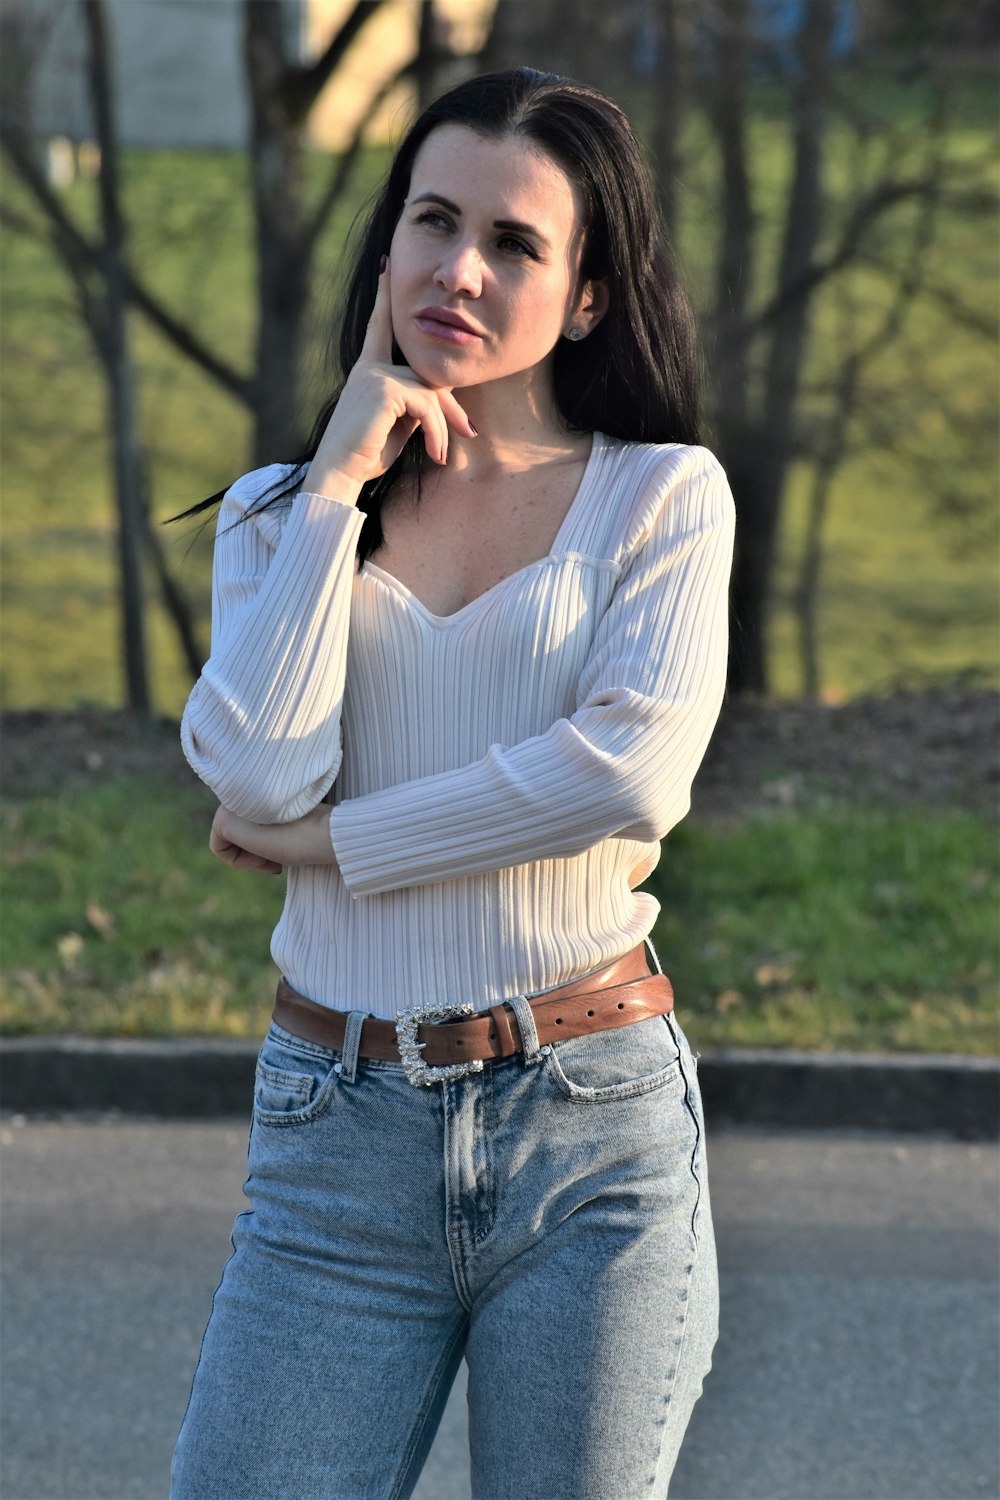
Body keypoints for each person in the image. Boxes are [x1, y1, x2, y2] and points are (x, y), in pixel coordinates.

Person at [168, 65, 735, 1500]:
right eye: (433, 220)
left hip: (588, 1135)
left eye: (517, 243)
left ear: (590, 295)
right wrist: (340, 480)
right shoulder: (276, 515)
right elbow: (248, 766)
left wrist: (337, 846)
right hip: (332, 1145)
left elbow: (626, 774)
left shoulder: (661, 499)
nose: (459, 269)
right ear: (388, 243)